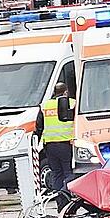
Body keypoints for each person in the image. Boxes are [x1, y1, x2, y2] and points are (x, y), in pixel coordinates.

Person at [36, 82, 76, 211]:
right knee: (69, 173)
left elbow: (39, 125)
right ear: (65, 92)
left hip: (50, 144)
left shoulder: (45, 105)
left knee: (56, 174)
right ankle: (69, 202)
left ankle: (60, 203)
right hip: (65, 143)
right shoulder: (72, 103)